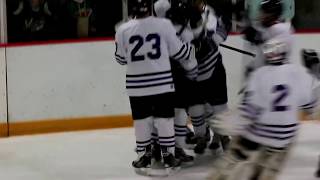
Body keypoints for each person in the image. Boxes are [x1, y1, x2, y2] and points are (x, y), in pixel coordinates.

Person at [207, 1, 319, 180]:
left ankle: (242, 158)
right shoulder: (274, 31)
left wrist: (245, 23)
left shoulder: (281, 29)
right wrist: (245, 24)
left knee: (251, 131)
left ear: (273, 15)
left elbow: (259, 38)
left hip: (267, 86)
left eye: (264, 14)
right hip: (270, 88)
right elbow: (257, 37)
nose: (261, 17)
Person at [115, 0, 197, 176]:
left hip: (136, 86)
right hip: (162, 83)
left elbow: (120, 59)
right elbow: (178, 52)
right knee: (165, 119)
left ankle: (144, 155)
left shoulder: (122, 29)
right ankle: (168, 155)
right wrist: (190, 50)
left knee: (142, 121)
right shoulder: (163, 24)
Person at [186, 0, 231, 154]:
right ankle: (201, 136)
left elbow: (223, 29)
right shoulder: (181, 13)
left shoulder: (210, 12)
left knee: (219, 106)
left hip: (213, 67)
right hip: (193, 72)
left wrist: (212, 42)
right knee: (196, 108)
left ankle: (223, 135)